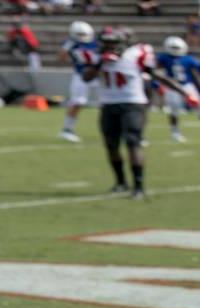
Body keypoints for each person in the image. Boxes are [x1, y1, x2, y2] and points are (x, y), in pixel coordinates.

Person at [82, 27, 198, 199]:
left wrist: (185, 93)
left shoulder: (136, 55)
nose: (108, 46)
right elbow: (86, 77)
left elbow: (157, 76)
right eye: (106, 43)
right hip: (108, 104)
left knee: (132, 141)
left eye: (112, 43)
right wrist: (100, 62)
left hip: (133, 103)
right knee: (111, 144)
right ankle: (120, 182)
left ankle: (138, 187)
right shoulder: (97, 56)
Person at [58, 21, 98, 143]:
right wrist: (66, 48)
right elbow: (61, 58)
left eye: (84, 33)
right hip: (80, 76)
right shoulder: (71, 43)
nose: (82, 36)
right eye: (79, 34)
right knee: (77, 102)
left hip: (98, 76)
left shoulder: (97, 42)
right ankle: (67, 129)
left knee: (111, 103)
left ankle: (119, 131)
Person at [156, 36, 199, 143]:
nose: (176, 50)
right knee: (174, 111)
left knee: (198, 106)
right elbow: (156, 70)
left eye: (177, 47)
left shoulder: (188, 58)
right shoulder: (163, 58)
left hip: (187, 86)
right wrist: (158, 85)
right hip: (172, 87)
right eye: (173, 47)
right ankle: (175, 132)